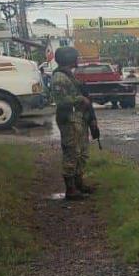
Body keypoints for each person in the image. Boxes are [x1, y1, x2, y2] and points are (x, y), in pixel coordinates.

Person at [49, 46, 94, 200]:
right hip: (69, 119)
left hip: (78, 118)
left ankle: (79, 183)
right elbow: (61, 101)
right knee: (71, 153)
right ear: (69, 59)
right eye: (75, 57)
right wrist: (80, 99)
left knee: (82, 153)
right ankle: (71, 189)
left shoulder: (69, 76)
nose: (77, 60)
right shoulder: (59, 77)